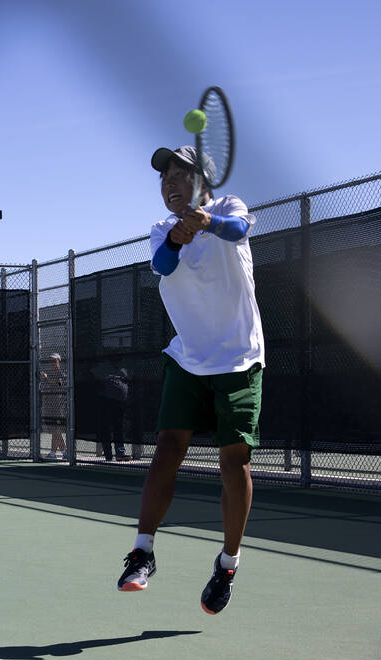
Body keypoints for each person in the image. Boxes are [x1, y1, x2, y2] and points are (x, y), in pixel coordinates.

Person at [116, 145, 263, 615]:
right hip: (188, 359)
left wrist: (207, 223)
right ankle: (142, 552)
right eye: (164, 178)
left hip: (240, 359)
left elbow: (238, 229)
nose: (169, 184)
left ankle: (227, 564)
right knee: (168, 448)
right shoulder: (161, 229)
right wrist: (181, 236)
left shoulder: (229, 207)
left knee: (233, 462)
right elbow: (162, 265)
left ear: (204, 182)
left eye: (180, 175)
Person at [90, 356, 131, 462]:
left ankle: (120, 453)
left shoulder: (123, 370)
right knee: (105, 428)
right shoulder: (103, 367)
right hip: (105, 403)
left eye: (118, 358)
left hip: (119, 404)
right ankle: (108, 454)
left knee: (119, 428)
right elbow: (92, 374)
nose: (117, 361)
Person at [40, 353, 67, 458]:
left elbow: (58, 387)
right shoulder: (49, 374)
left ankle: (53, 453)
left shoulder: (61, 374)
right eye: (50, 361)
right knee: (55, 431)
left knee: (56, 430)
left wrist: (46, 379)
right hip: (49, 406)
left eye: (54, 361)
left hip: (58, 407)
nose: (51, 363)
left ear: (58, 362)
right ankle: (63, 453)